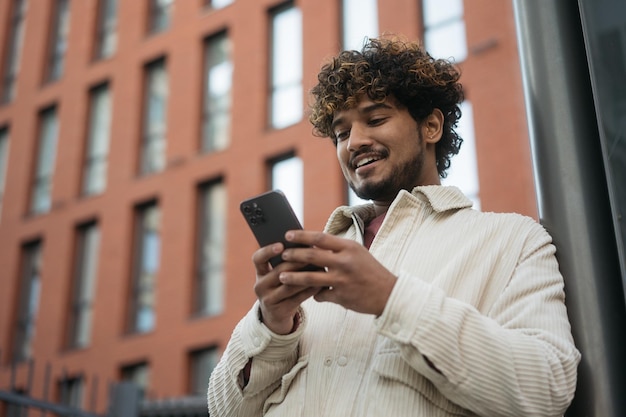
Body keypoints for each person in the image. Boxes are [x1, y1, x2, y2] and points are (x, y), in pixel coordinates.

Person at [207, 37, 580, 416]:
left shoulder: (514, 241)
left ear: (431, 126)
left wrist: (391, 298)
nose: (355, 142)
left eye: (376, 119)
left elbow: (547, 389)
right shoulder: (315, 262)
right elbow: (222, 410)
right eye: (341, 133)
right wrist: (272, 325)